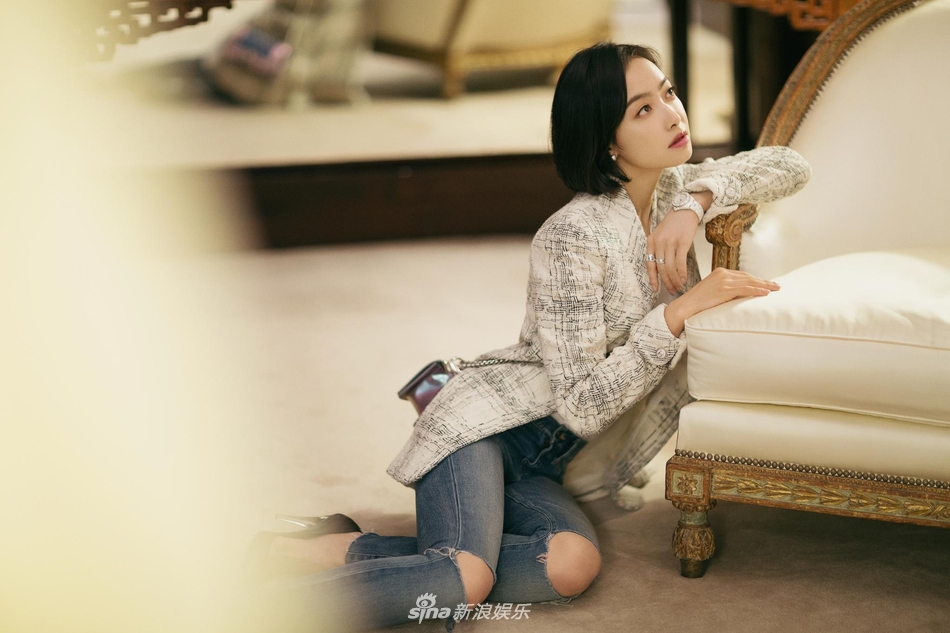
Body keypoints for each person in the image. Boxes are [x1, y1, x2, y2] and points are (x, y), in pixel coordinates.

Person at [243, 42, 811, 631]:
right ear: (608, 142)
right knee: (467, 576)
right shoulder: (571, 235)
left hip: (549, 465)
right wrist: (679, 312)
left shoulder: (676, 193)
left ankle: (329, 549)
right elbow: (582, 405)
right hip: (484, 433)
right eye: (642, 109)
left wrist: (696, 202)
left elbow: (790, 165)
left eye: (667, 93)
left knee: (569, 567)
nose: (673, 114)